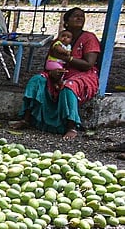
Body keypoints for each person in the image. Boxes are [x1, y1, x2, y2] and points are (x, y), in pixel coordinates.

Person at [10, 8, 100, 140]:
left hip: (83, 74)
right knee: (37, 80)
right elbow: (49, 61)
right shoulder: (59, 41)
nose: (80, 18)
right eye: (75, 16)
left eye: (82, 16)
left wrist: (67, 59)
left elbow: (88, 64)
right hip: (59, 72)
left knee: (69, 86)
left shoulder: (89, 38)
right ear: (66, 21)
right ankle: (26, 119)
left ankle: (71, 126)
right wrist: (52, 73)